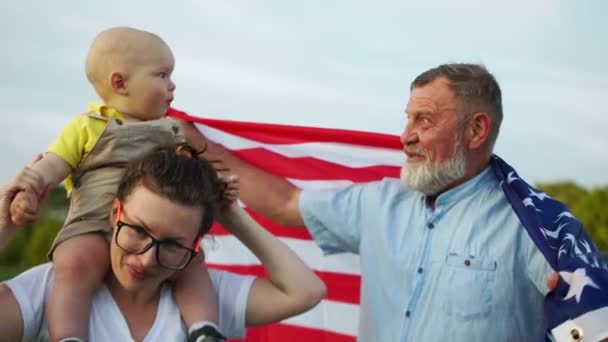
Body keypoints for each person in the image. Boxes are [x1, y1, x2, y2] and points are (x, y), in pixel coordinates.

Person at [179, 63, 558, 341]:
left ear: (476, 130)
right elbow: (284, 203)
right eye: (408, 120)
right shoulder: (379, 203)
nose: (405, 137)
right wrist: (191, 141)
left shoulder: (541, 227)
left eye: (424, 121)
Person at [7, 27, 224, 342]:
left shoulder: (171, 132)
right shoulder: (88, 126)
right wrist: (30, 189)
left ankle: (204, 328)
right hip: (93, 225)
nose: (172, 83)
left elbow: (191, 179)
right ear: (120, 83)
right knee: (75, 266)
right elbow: (53, 164)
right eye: (162, 74)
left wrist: (220, 186)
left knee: (192, 265)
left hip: (153, 231)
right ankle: (68, 336)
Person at [0, 144, 327, 341]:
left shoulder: (207, 299)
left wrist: (233, 216)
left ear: (196, 244)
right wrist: (4, 228)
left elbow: (305, 291)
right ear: (115, 212)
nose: (145, 260)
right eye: (138, 231)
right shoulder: (54, 290)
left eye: (172, 244)